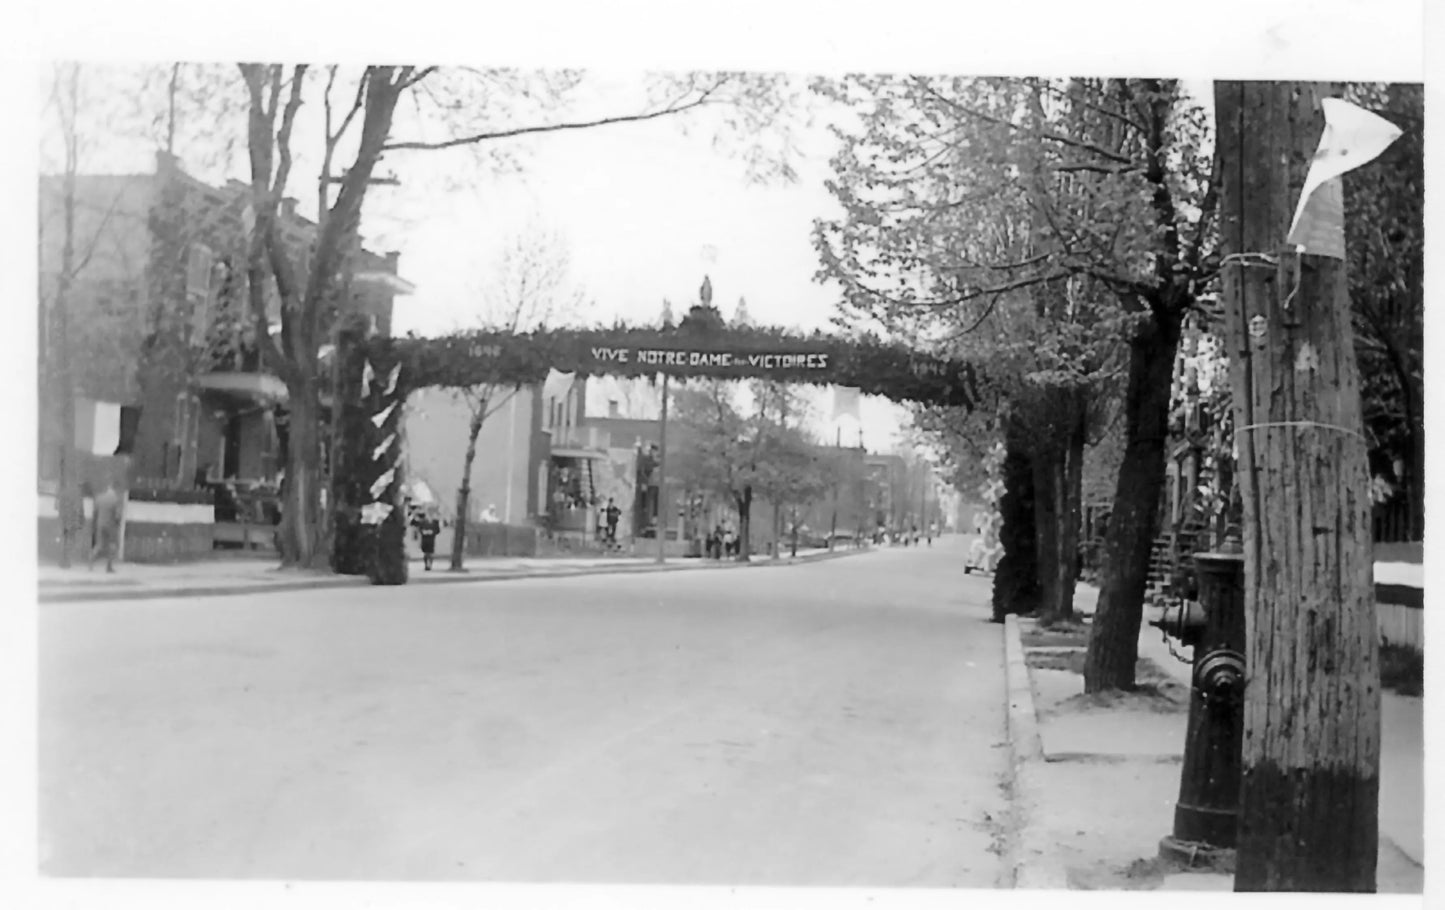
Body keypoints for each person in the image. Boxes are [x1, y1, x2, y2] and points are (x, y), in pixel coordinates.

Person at [85, 480, 124, 573]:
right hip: (111, 525)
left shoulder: (100, 497)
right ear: (116, 489)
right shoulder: (116, 499)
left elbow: (95, 512)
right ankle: (109, 567)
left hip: (100, 524)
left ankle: (91, 560)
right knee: (112, 545)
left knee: (99, 545)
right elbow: (118, 516)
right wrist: (118, 524)